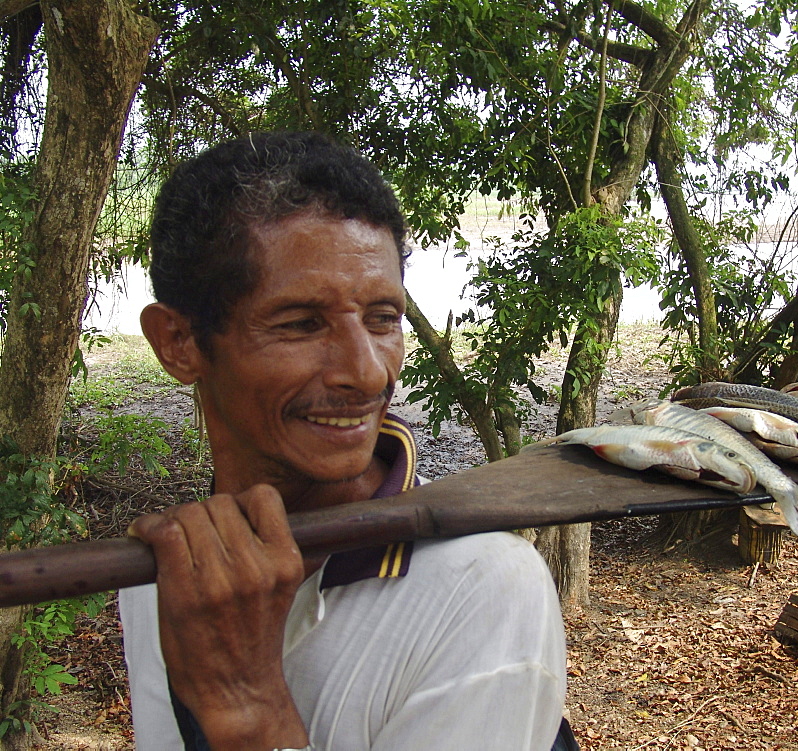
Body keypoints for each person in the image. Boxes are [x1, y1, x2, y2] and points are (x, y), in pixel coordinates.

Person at [118, 131, 570, 750]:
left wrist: (247, 710)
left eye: (383, 319)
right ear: (179, 342)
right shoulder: (162, 574)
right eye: (302, 323)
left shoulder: (483, 589)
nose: (367, 372)